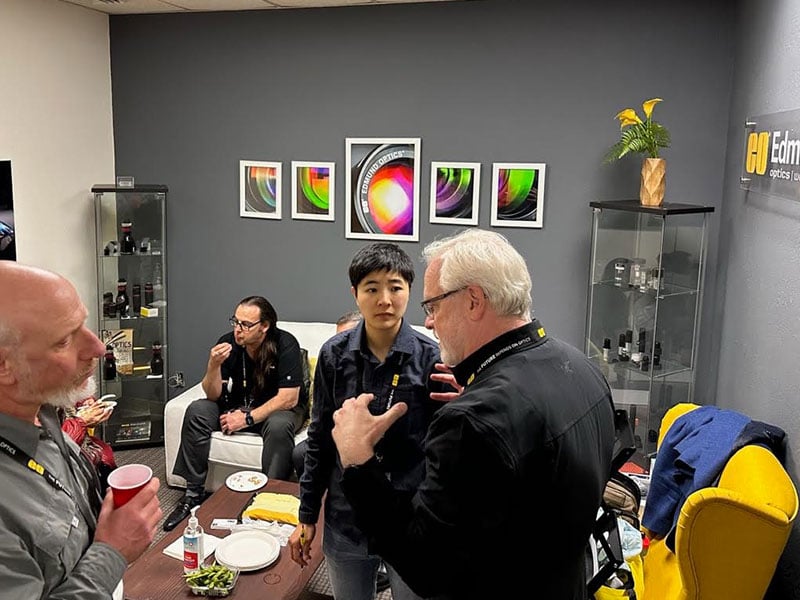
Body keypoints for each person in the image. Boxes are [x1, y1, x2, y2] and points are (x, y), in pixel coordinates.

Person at [332, 229, 617, 599]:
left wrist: (357, 458)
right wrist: (483, 392)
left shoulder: (472, 421)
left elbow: (424, 567)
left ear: (473, 301)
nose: (429, 322)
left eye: (432, 307)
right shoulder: (580, 365)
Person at [289, 243, 455, 600]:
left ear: (409, 291)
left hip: (409, 516)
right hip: (346, 518)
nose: (385, 300)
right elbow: (319, 437)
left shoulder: (433, 358)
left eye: (395, 287)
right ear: (355, 293)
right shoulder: (334, 355)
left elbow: (444, 448)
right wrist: (307, 513)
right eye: (372, 288)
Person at [0, 262, 162, 598]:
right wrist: (112, 551)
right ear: (4, 366)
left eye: (83, 324)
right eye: (64, 340)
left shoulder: (43, 413)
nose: (98, 348)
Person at [165, 295, 309, 531]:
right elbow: (213, 394)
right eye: (235, 321)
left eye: (246, 324)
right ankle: (192, 494)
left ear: (264, 326)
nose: (238, 329)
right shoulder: (228, 343)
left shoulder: (285, 343)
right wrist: (213, 365)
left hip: (278, 409)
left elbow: (289, 398)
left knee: (279, 425)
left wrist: (247, 419)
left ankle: (269, 496)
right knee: (198, 410)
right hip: (239, 404)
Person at [292, 310, 362, 481]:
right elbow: (321, 412)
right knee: (301, 454)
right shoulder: (331, 364)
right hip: (333, 431)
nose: (340, 345)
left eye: (347, 338)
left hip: (365, 436)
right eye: (337, 339)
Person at [61, 396, 117, 494]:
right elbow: (60, 446)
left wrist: (85, 401)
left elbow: (70, 395)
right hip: (69, 470)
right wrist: (81, 421)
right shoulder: (35, 405)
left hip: (91, 453)